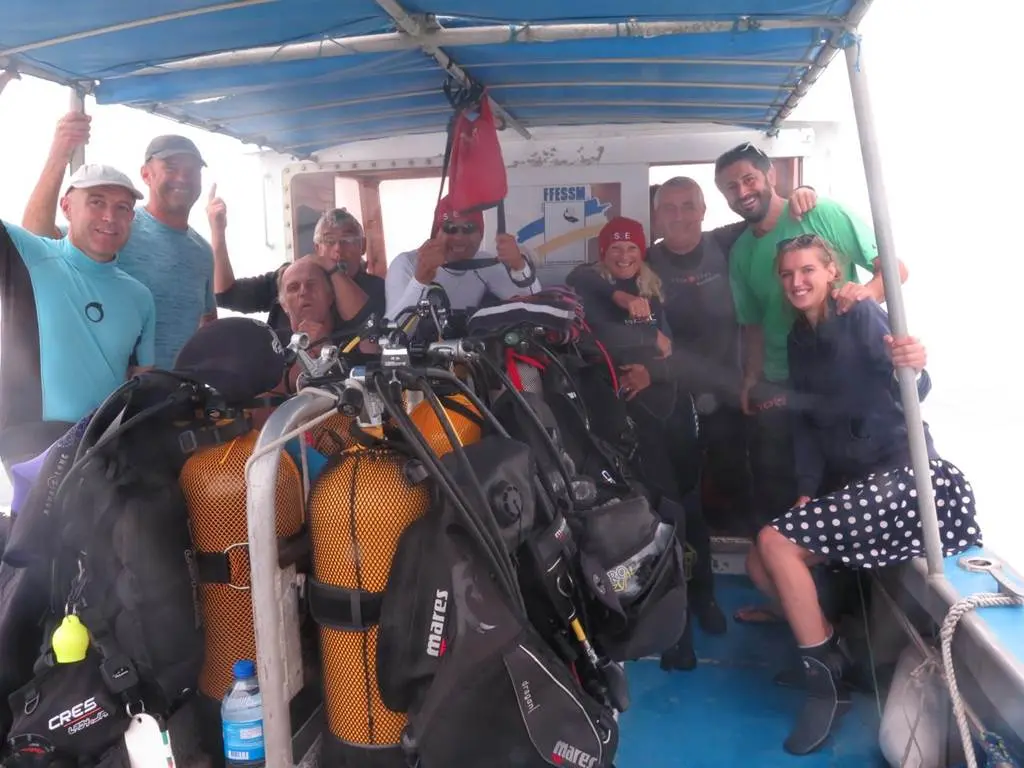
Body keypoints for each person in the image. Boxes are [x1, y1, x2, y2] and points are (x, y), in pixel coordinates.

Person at [750, 234, 980, 755]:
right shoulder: (798, 338)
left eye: (807, 270)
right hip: (855, 486)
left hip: (907, 479)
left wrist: (913, 364)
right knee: (761, 563)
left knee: (776, 544)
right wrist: (806, 491)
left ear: (832, 272)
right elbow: (806, 424)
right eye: (787, 274)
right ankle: (835, 651)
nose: (796, 282)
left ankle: (825, 687)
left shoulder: (860, 314)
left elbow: (910, 386)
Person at [713, 142, 909, 624]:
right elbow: (753, 323)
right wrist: (752, 377)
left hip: (847, 397)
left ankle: (838, 620)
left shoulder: (819, 212)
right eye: (730, 187)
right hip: (784, 393)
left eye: (749, 179)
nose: (742, 191)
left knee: (835, 505)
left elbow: (894, 270)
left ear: (770, 176)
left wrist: (863, 297)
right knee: (782, 503)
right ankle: (794, 607)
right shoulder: (741, 251)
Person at [567, 216, 723, 672]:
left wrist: (651, 370)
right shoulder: (587, 288)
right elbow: (594, 333)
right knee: (653, 516)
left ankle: (703, 598)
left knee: (687, 510)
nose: (624, 255)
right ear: (602, 254)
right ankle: (669, 624)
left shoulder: (656, 291)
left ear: (642, 253)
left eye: (632, 248)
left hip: (670, 415)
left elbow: (676, 354)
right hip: (626, 425)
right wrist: (641, 330)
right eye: (614, 249)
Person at [648, 177, 818, 536]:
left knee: (738, 471)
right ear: (657, 215)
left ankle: (744, 542)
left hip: (731, 385)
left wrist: (803, 193)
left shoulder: (726, 241)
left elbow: (773, 215)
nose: (679, 216)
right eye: (669, 208)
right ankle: (682, 544)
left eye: (688, 206)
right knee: (676, 476)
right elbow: (589, 276)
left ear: (703, 210)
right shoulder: (646, 261)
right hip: (672, 390)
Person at [23, 113, 221, 369]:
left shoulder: (203, 251)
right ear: (146, 175)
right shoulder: (115, 226)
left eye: (192, 171)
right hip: (116, 390)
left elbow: (208, 322)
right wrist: (60, 153)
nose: (183, 178)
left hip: (177, 390)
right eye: (171, 168)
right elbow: (35, 239)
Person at [0, 164, 155, 472]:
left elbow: (141, 377)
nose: (110, 217)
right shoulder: (27, 254)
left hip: (104, 442)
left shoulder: (140, 296)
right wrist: (61, 148)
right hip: (33, 439)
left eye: (122, 208)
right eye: (96, 202)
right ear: (67, 207)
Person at [214, 207, 385, 333]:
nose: (338, 248)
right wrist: (218, 231)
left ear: (363, 246)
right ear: (317, 248)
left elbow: (369, 323)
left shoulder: (376, 288)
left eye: (348, 240)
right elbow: (226, 294)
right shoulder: (290, 277)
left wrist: (331, 268)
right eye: (329, 241)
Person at [385, 196, 540, 320]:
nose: (459, 237)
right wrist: (420, 281)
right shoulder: (406, 263)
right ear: (436, 233)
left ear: (481, 235)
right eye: (450, 228)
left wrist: (519, 266)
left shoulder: (485, 263)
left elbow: (535, 308)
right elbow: (391, 332)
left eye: (468, 228)